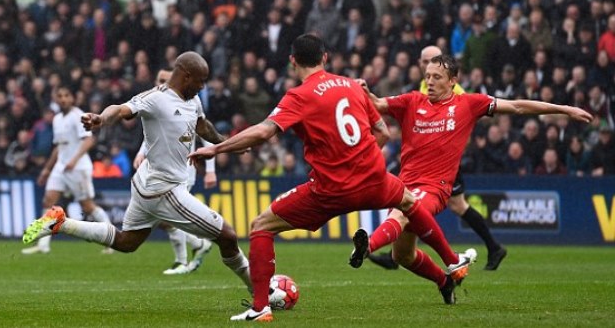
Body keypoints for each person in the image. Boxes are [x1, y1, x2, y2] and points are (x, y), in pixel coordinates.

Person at [188, 35, 477, 321]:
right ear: (325, 58)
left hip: (329, 190)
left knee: (261, 226)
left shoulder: (299, 96)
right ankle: (451, 264)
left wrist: (218, 147)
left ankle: (261, 306)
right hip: (374, 179)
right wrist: (357, 161)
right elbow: (383, 133)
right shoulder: (352, 85)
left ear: (292, 62)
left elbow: (264, 132)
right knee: (409, 202)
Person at [356, 54, 591, 298]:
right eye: (427, 77)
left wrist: (564, 109)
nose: (430, 82)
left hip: (435, 188)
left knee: (403, 212)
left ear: (453, 81)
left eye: (437, 77)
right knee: (402, 256)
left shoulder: (468, 104)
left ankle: (367, 247)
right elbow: (377, 104)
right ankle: (444, 282)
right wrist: (362, 91)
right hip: (407, 183)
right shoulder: (412, 101)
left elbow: (517, 106)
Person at [22, 52, 253, 293]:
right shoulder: (155, 98)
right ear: (186, 76)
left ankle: (61, 224)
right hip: (164, 188)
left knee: (126, 242)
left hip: (148, 184)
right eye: (200, 80)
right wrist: (101, 118)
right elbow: (120, 109)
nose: (202, 86)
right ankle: (260, 293)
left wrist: (226, 144)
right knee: (227, 236)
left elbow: (202, 126)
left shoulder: (192, 100)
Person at [369, 45, 508, 271]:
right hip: (423, 159)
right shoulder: (425, 86)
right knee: (451, 204)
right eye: (424, 63)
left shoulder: (457, 93)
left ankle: (480, 251)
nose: (427, 67)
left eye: (431, 61)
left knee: (454, 204)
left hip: (445, 159)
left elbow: (463, 119)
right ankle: (480, 251)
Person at [132, 68, 215, 275]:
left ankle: (182, 260)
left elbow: (205, 134)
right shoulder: (155, 101)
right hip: (161, 168)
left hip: (182, 167)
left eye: (165, 79)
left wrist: (211, 169)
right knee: (164, 218)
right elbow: (154, 136)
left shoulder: (188, 101)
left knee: (167, 216)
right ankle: (196, 245)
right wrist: (141, 153)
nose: (161, 82)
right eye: (159, 79)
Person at [22, 86, 116, 255]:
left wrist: (74, 160)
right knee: (48, 201)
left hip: (78, 167)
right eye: (60, 96)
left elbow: (89, 141)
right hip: (61, 166)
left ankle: (112, 239)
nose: (63, 99)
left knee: (87, 207)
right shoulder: (57, 118)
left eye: (66, 95)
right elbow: (59, 147)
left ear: (72, 98)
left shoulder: (78, 116)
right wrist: (47, 169)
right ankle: (43, 245)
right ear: (56, 99)